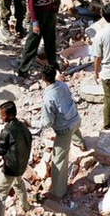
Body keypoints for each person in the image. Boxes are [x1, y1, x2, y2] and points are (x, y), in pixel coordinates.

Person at [37, 65, 87, 200]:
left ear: (43, 78)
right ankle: (82, 144)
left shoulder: (48, 98)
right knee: (76, 131)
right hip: (75, 119)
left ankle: (59, 191)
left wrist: (32, 124)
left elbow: (47, 122)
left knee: (59, 159)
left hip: (65, 129)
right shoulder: (62, 84)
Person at [18, 0, 58, 77]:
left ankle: (52, 63)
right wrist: (35, 22)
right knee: (32, 43)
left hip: (49, 14)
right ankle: (23, 69)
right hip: (39, 16)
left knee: (50, 40)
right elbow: (31, 5)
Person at [0, 101, 32, 213]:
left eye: (3, 115)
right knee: (18, 184)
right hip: (22, 164)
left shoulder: (6, 131)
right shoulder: (23, 125)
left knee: (0, 194)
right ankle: (26, 206)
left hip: (11, 168)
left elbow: (1, 151)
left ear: (10, 115)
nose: (1, 117)